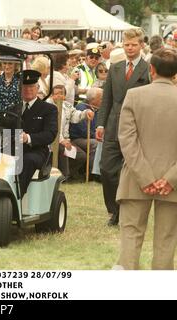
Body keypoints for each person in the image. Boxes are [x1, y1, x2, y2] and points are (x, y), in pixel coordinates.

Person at [116, 48, 177, 270]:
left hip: (135, 177)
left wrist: (145, 177)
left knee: (130, 237)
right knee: (166, 241)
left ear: (151, 70)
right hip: (173, 184)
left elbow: (127, 141)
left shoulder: (134, 95)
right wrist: (169, 178)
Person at [96, 29, 151, 226]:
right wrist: (101, 123)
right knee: (106, 170)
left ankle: (126, 212)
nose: (129, 48)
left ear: (141, 45)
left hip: (137, 128)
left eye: (133, 44)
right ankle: (115, 210)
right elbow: (106, 99)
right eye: (126, 44)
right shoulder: (115, 67)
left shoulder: (148, 69)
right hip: (112, 126)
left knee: (132, 173)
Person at [2, 70, 58, 196]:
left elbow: (50, 134)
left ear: (37, 88)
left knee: (27, 160)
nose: (28, 90)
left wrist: (28, 138)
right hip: (12, 148)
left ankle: (16, 195)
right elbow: (3, 128)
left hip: (36, 151)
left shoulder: (48, 109)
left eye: (31, 86)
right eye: (24, 87)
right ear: (19, 89)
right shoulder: (13, 108)